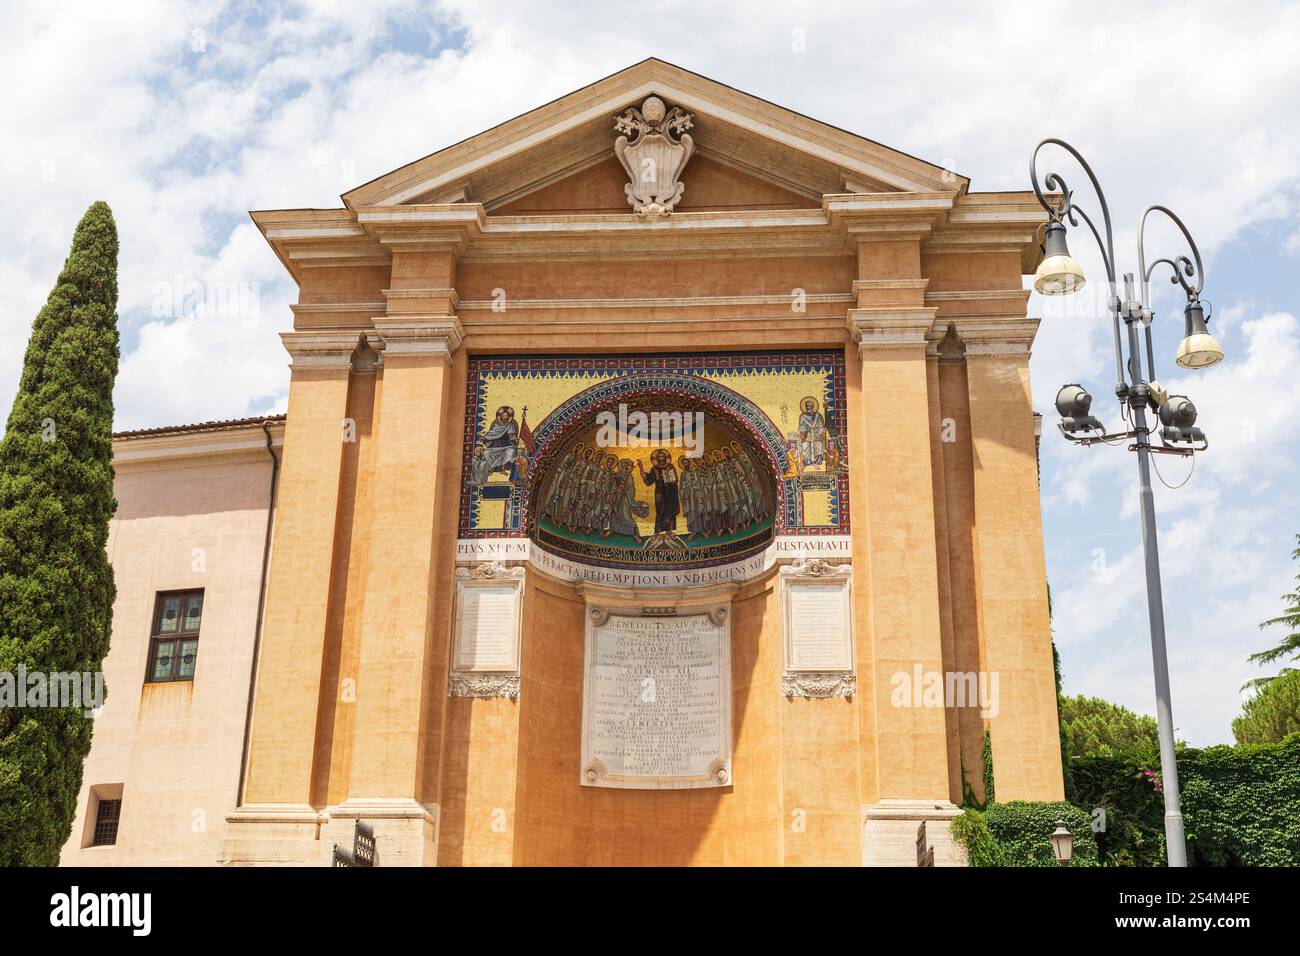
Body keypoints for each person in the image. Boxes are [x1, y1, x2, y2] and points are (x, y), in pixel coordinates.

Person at [471, 405, 521, 486]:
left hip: (506, 445)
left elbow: (511, 436)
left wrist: (515, 440)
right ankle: (491, 469)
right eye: (503, 416)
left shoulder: (510, 425)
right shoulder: (496, 425)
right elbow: (491, 434)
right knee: (487, 452)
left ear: (509, 417)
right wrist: (484, 438)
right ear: (500, 417)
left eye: (507, 416)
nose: (505, 417)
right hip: (495, 445)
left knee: (510, 452)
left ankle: (502, 469)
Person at [637, 448, 680, 535]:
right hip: (659, 491)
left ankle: (669, 530)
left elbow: (675, 480)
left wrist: (669, 479)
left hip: (670, 490)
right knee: (660, 509)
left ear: (665, 458)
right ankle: (657, 530)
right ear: (657, 459)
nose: (661, 458)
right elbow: (648, 480)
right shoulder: (654, 468)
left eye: (662, 456)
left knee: (670, 509)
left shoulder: (670, 466)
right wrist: (641, 468)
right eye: (659, 457)